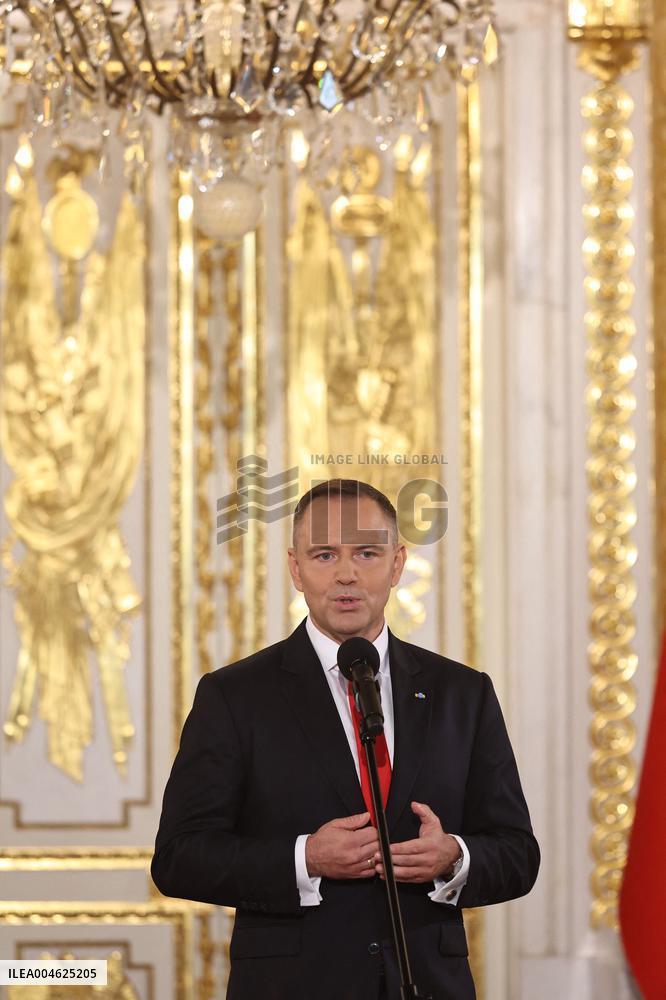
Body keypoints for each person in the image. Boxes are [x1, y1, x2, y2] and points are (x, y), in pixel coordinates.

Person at [151, 479, 539, 1000]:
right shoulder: (234, 696)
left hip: (426, 983)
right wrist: (305, 857)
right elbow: (179, 857)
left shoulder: (462, 693)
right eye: (325, 554)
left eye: (367, 553)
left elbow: (518, 853)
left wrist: (453, 856)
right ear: (295, 568)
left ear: (397, 564)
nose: (346, 574)